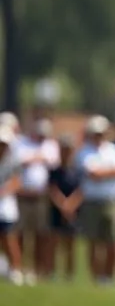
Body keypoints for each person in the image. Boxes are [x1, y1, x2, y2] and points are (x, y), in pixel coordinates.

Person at [76, 115, 115, 285]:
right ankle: (95, 277)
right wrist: (110, 172)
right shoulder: (84, 151)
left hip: (112, 200)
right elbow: (93, 174)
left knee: (113, 241)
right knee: (93, 242)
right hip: (92, 201)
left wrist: (103, 173)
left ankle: (108, 277)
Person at [17, 117, 59, 282]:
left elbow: (54, 163)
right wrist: (39, 158)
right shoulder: (22, 143)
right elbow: (20, 162)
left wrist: (34, 159)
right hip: (23, 194)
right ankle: (19, 268)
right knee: (20, 233)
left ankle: (36, 269)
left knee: (40, 234)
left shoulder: (51, 145)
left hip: (41, 196)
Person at [48, 134, 82, 281]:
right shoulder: (54, 170)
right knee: (54, 243)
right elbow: (52, 189)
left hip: (73, 211)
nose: (66, 151)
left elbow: (80, 191)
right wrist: (63, 205)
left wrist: (70, 205)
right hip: (56, 210)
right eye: (63, 149)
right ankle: (53, 272)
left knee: (70, 244)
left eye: (68, 149)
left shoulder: (77, 170)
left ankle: (69, 274)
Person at [0, 125, 24, 285]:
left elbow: (17, 181)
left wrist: (2, 192)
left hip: (5, 206)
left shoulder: (13, 160)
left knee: (9, 238)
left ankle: (15, 269)